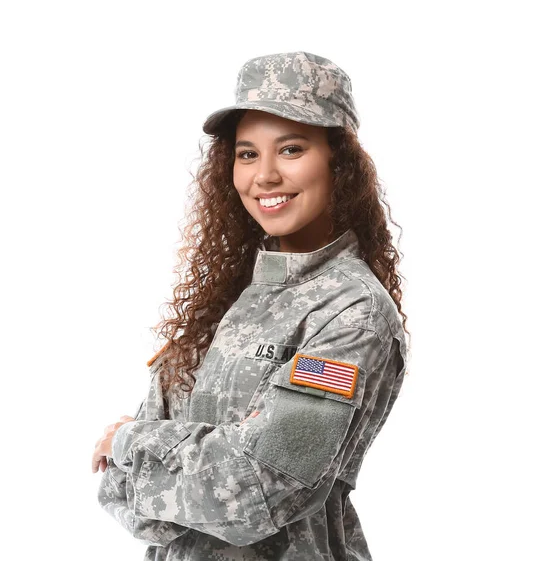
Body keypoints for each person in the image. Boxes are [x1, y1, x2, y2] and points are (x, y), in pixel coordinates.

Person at [92, 50, 410, 560]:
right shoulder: (228, 297)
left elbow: (258, 489)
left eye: (290, 149)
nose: (263, 176)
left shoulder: (352, 312)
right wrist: (174, 472)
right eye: (246, 154)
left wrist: (130, 442)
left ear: (339, 162)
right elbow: (116, 491)